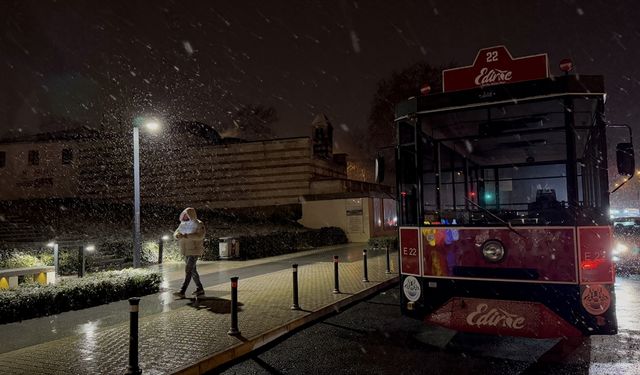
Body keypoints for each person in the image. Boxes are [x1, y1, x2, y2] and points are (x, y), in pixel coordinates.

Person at [172, 207, 206, 298]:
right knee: (193, 271)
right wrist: (177, 235)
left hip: (194, 251)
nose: (185, 217)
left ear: (191, 215)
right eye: (184, 215)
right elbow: (176, 233)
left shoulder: (199, 224)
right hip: (185, 251)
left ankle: (182, 291)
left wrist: (187, 236)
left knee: (188, 270)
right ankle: (200, 289)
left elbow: (200, 236)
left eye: (187, 215)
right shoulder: (182, 224)